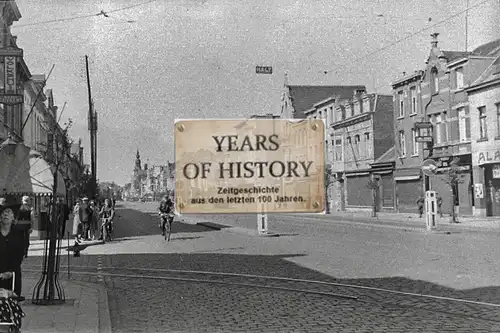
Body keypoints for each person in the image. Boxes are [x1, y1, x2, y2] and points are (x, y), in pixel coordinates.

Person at [0, 204, 26, 301]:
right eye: (4, 213)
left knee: (12, 305)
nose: (6, 215)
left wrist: (11, 272)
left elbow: (20, 254)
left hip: (13, 273)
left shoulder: (19, 233)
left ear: (13, 217)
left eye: (9, 213)